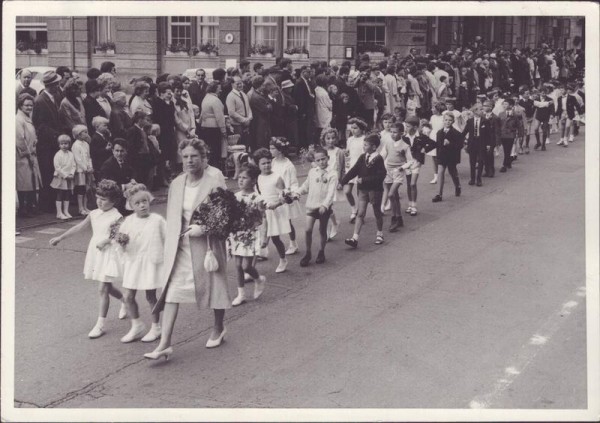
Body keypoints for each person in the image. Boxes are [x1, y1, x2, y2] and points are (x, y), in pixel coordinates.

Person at [145, 139, 231, 360]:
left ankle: (218, 327)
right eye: (185, 157)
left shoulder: (214, 181)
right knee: (172, 291)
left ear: (203, 158)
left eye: (194, 156)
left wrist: (204, 228)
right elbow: (173, 217)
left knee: (214, 285)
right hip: (180, 246)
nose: (189, 161)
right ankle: (164, 343)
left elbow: (225, 214)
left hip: (206, 244)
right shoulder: (176, 183)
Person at [49, 179, 127, 338]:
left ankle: (100, 325)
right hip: (96, 252)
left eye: (104, 199)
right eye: (98, 197)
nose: (99, 202)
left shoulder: (116, 216)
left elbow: (120, 235)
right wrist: (61, 237)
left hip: (109, 253)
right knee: (108, 287)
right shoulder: (94, 214)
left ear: (113, 200)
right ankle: (126, 300)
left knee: (103, 288)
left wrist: (108, 241)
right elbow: (79, 227)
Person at [117, 183, 166, 343]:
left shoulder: (157, 220)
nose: (142, 205)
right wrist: (122, 243)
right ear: (131, 206)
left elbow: (169, 239)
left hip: (150, 262)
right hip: (134, 262)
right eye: (137, 203)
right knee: (128, 296)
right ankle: (136, 325)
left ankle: (156, 327)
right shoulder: (128, 221)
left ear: (149, 201)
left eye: (144, 201)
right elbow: (121, 241)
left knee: (151, 296)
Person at [230, 163, 267, 306]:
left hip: (251, 234)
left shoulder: (258, 198)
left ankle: (259, 279)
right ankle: (241, 294)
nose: (240, 180)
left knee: (246, 266)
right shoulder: (235, 196)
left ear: (253, 180)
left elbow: (263, 219)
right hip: (237, 233)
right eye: (239, 177)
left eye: (244, 178)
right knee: (238, 265)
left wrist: (264, 236)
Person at [341, 133, 386, 248]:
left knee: (377, 212)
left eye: (366, 145)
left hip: (375, 190)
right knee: (360, 213)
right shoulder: (362, 157)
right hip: (363, 190)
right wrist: (342, 181)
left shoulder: (378, 159)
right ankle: (355, 238)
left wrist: (364, 180)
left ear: (374, 147)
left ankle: (380, 234)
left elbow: (381, 176)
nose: (363, 147)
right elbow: (354, 170)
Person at [294, 147, 337, 266]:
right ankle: (308, 253)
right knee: (308, 230)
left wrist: (325, 205)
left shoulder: (332, 173)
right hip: (312, 205)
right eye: (318, 160)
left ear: (328, 158)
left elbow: (331, 191)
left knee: (322, 230)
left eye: (323, 159)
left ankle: (321, 251)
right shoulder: (313, 172)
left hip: (324, 207)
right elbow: (306, 186)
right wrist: (297, 192)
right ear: (315, 161)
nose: (321, 162)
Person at [254, 148, 290, 274]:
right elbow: (260, 194)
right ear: (258, 165)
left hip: (275, 210)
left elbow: (285, 198)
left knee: (275, 239)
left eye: (269, 162)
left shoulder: (277, 178)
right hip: (264, 210)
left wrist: (276, 204)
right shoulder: (258, 177)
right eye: (263, 163)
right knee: (260, 236)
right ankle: (254, 265)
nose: (266, 165)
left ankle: (283, 259)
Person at [33, 70, 63, 212]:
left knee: (53, 171)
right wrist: (56, 135)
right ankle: (46, 204)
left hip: (53, 142)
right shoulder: (40, 101)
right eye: (57, 84)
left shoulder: (53, 97)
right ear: (52, 85)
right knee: (47, 172)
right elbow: (40, 125)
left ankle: (52, 202)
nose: (58, 86)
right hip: (46, 145)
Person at [380, 121, 414, 232]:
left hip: (398, 172)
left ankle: (393, 219)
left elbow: (410, 161)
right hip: (388, 171)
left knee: (390, 194)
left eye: (395, 132)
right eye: (391, 132)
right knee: (394, 196)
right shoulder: (388, 143)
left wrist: (401, 168)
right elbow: (382, 156)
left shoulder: (405, 146)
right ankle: (399, 218)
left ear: (401, 133)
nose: (393, 134)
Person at [269, 137, 301, 255]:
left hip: (284, 195)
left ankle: (293, 243)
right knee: (270, 219)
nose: (270, 151)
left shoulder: (288, 166)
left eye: (273, 148)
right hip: (274, 195)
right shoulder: (273, 162)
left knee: (287, 221)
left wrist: (291, 194)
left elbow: (293, 183)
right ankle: (263, 248)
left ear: (280, 150)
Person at [16, 93, 43, 217]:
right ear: (21, 106)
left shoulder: (27, 118)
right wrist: (27, 154)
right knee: (24, 183)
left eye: (31, 105)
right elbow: (19, 139)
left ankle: (30, 207)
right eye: (26, 105)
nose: (29, 107)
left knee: (31, 182)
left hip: (31, 154)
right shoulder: (18, 119)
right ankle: (23, 208)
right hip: (23, 156)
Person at [406, 122, 436, 215]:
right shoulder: (404, 137)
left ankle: (414, 206)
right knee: (408, 184)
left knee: (412, 184)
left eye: (408, 126)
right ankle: (410, 204)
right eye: (405, 126)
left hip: (417, 161)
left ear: (415, 127)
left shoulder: (421, 136)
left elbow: (433, 143)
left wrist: (424, 150)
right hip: (407, 162)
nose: (406, 128)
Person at [432, 113, 463, 202]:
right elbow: (438, 146)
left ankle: (457, 186)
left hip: (451, 157)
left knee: (452, 172)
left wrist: (450, 144)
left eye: (450, 120)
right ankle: (439, 194)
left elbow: (459, 145)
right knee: (440, 172)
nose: (447, 122)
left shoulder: (456, 133)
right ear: (443, 121)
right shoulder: (439, 132)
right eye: (446, 120)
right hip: (442, 156)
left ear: (453, 121)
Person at [100, 139, 136, 214]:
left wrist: (133, 179)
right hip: (113, 201)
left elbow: (133, 172)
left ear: (126, 151)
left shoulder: (127, 161)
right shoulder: (107, 165)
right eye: (117, 151)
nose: (119, 154)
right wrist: (125, 186)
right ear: (112, 151)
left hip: (126, 198)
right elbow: (106, 186)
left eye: (122, 151)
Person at [320, 128, 344, 240]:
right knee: (326, 205)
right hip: (322, 180)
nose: (330, 140)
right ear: (324, 139)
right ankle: (334, 222)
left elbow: (342, 168)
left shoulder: (339, 151)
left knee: (328, 204)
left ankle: (329, 228)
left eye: (333, 138)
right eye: (328, 138)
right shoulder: (321, 151)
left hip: (333, 180)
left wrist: (341, 182)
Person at [343, 117, 368, 223]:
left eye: (355, 128)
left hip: (361, 169)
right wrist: (346, 167)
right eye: (351, 128)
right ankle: (354, 209)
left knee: (360, 194)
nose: (353, 130)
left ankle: (361, 215)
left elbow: (366, 155)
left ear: (361, 129)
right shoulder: (350, 140)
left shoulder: (365, 140)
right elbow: (348, 155)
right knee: (347, 191)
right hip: (351, 169)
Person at [200, 81, 228, 170]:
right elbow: (220, 117)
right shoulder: (216, 100)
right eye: (219, 88)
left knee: (209, 150)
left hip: (205, 126)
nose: (220, 90)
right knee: (216, 150)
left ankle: (208, 168)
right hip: (214, 128)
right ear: (215, 89)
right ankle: (216, 169)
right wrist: (223, 130)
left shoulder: (206, 98)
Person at [462, 105, 491, 186]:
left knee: (481, 160)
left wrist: (488, 144)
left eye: (482, 109)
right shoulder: (470, 121)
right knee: (472, 162)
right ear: (475, 111)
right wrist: (463, 142)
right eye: (480, 109)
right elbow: (464, 132)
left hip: (482, 143)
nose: (482, 111)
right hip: (472, 143)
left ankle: (479, 179)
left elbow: (489, 134)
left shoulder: (485, 121)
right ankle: (472, 178)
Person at [50, 135, 76, 219]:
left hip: (69, 177)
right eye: (62, 144)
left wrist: (71, 174)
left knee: (67, 194)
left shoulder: (71, 154)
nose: (64, 145)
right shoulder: (58, 155)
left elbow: (73, 165)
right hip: (61, 177)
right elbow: (57, 167)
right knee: (60, 194)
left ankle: (66, 211)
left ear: (69, 144)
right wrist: (65, 175)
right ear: (59, 145)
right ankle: (59, 213)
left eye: (66, 143)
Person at [71, 125, 95, 215]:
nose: (86, 134)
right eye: (84, 132)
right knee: (81, 189)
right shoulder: (75, 145)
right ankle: (80, 208)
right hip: (80, 171)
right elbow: (78, 159)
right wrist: (85, 168)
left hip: (87, 170)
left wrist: (90, 167)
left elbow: (89, 157)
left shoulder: (86, 144)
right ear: (78, 134)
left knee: (86, 189)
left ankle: (85, 207)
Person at [226, 75, 253, 150]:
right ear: (232, 84)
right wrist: (244, 120)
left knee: (246, 145)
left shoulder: (243, 94)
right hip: (237, 125)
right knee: (239, 145)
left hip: (246, 125)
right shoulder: (230, 96)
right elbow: (231, 112)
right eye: (237, 83)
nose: (240, 85)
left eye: (241, 83)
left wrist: (249, 118)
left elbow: (248, 107)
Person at [293, 66, 315, 149]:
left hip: (309, 108)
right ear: (303, 72)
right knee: (302, 128)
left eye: (310, 72)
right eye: (308, 72)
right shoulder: (299, 82)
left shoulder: (308, 82)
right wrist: (302, 112)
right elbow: (299, 98)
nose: (309, 74)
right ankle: (302, 146)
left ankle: (306, 144)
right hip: (304, 110)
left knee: (307, 128)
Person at [249, 76, 272, 151]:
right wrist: (269, 105)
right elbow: (267, 109)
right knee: (261, 142)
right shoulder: (256, 97)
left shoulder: (256, 94)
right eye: (263, 85)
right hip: (260, 123)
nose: (264, 87)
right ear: (259, 85)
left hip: (259, 122)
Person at [498, 99, 521, 172]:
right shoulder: (501, 114)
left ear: (511, 106)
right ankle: (508, 163)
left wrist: (519, 134)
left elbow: (518, 125)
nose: (504, 106)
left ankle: (504, 165)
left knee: (508, 149)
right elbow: (498, 124)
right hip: (503, 134)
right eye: (503, 104)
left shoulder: (515, 114)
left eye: (506, 104)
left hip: (511, 134)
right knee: (505, 149)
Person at [90, 116, 113, 181]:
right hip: (100, 164)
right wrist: (105, 149)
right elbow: (94, 152)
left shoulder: (105, 135)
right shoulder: (95, 138)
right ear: (97, 127)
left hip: (106, 161)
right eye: (104, 125)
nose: (106, 127)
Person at [314, 74, 333, 144]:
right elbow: (329, 105)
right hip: (324, 112)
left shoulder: (316, 90)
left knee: (319, 128)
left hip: (318, 111)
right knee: (325, 129)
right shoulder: (324, 93)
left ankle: (319, 142)